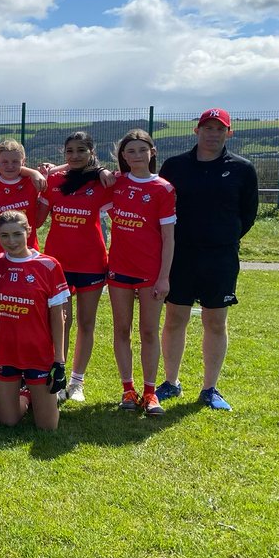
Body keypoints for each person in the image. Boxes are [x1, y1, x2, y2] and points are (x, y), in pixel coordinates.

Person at [157, 109, 259, 410]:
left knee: (215, 321)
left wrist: (223, 237)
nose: (212, 134)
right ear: (196, 131)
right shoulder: (174, 166)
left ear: (229, 133)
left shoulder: (242, 168)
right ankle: (170, 382)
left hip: (220, 257)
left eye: (219, 128)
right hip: (181, 255)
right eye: (207, 128)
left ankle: (210, 388)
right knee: (176, 318)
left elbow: (247, 214)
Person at [39, 131, 113, 403]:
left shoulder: (102, 181)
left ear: (91, 152)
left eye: (81, 150)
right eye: (70, 151)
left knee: (86, 323)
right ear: (63, 153)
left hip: (91, 261)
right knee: (61, 322)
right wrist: (39, 180)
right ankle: (57, 378)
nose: (75, 155)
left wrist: (104, 169)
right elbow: (35, 222)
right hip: (57, 264)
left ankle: (76, 382)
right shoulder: (54, 181)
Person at [107, 129, 176, 417]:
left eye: (141, 150)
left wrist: (164, 276)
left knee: (149, 332)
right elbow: (79, 173)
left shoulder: (163, 188)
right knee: (121, 330)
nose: (136, 155)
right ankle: (127, 389)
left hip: (150, 272)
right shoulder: (114, 183)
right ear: (123, 156)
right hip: (119, 269)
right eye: (130, 151)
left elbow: (169, 237)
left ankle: (150, 393)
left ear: (152, 152)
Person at [0, 211, 68, 430]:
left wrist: (59, 360)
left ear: (29, 232)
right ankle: (25, 395)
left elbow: (58, 316)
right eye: (5, 235)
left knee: (48, 427)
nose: (11, 241)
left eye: (17, 234)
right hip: (5, 353)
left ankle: (32, 392)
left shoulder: (49, 265)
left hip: (38, 354)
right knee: (8, 421)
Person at [0, 140, 45, 248]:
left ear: (23, 161)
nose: (10, 166)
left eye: (15, 161)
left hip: (27, 251)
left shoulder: (32, 182)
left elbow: (60, 172)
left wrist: (35, 172)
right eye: (4, 162)